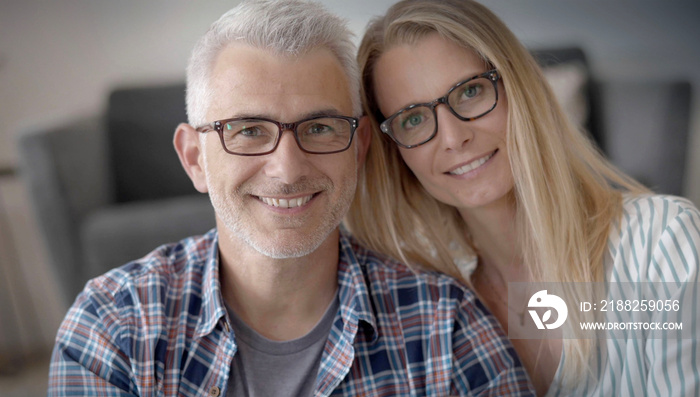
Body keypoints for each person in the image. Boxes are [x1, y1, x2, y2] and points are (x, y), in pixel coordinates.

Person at [48, 1, 536, 396]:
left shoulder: (446, 326)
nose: (287, 168)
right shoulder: (112, 325)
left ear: (360, 147)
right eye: (248, 130)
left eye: (320, 128)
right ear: (195, 158)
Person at [345, 0, 700, 396]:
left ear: (518, 88)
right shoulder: (429, 303)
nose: (453, 138)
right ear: (395, 150)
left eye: (470, 92)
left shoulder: (662, 243)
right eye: (413, 118)